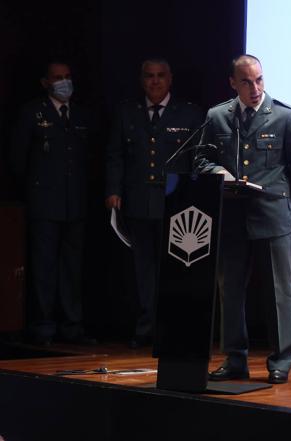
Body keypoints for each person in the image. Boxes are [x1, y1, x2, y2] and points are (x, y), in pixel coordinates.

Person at [195, 54, 291, 384]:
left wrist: (281, 196)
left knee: (278, 292)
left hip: (272, 214)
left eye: (259, 79)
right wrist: (219, 172)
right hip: (232, 216)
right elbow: (202, 160)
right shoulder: (218, 116)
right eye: (247, 82)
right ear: (233, 83)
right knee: (229, 289)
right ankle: (235, 359)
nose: (255, 88)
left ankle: (281, 360)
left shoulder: (286, 116)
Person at [105, 58, 204, 348]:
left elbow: (197, 160)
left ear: (170, 79)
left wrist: (193, 197)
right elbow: (115, 155)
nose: (155, 81)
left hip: (174, 204)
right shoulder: (127, 112)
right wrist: (112, 189)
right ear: (141, 80)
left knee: (175, 269)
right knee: (143, 270)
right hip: (137, 201)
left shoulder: (189, 114)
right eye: (149, 76)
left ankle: (172, 328)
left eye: (161, 76)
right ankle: (147, 326)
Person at [10, 61, 95, 346]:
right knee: (44, 268)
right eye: (58, 78)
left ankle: (72, 326)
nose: (64, 82)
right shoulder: (32, 113)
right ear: (45, 82)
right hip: (44, 204)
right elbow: (18, 161)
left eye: (68, 77)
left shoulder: (81, 115)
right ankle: (43, 326)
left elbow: (87, 159)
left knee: (73, 268)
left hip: (76, 203)